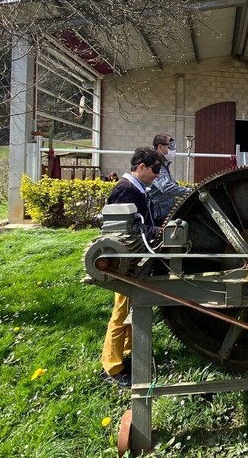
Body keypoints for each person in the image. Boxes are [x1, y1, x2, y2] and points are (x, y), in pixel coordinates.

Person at [100, 147, 162, 388]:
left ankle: (126, 354)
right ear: (142, 167)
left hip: (134, 259)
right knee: (121, 313)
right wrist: (155, 231)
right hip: (125, 261)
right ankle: (112, 367)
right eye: (155, 169)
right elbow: (127, 230)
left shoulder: (136, 190)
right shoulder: (125, 191)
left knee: (129, 310)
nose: (157, 175)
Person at [150, 133, 191, 225]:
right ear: (160, 147)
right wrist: (190, 192)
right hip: (158, 216)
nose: (173, 149)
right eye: (171, 145)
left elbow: (172, 184)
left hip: (164, 214)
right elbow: (166, 186)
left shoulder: (164, 164)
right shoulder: (155, 164)